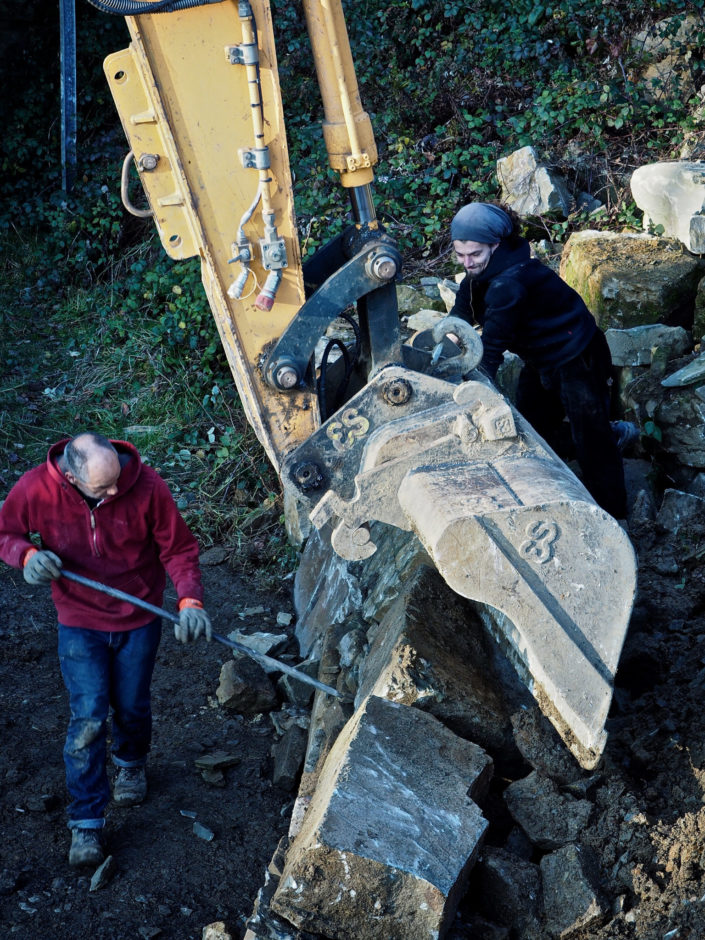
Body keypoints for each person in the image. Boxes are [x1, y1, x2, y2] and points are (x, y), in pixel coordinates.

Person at [0, 432, 212, 867]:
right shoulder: (35, 489)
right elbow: (5, 532)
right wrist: (25, 556)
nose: (117, 491)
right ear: (71, 476)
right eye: (104, 487)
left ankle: (131, 762)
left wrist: (189, 600)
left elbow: (179, 549)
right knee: (89, 718)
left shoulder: (147, 486)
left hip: (139, 618)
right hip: (79, 623)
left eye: (118, 480)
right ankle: (86, 823)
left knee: (132, 705)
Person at [449, 201, 637, 519]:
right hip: (541, 359)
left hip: (579, 356)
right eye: (460, 254)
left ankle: (615, 516)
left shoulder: (508, 285)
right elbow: (462, 310)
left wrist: (463, 398)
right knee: (531, 431)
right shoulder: (482, 275)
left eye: (475, 255)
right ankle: (606, 436)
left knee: (593, 445)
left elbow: (489, 355)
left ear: (495, 245)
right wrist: (450, 335)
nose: (468, 263)